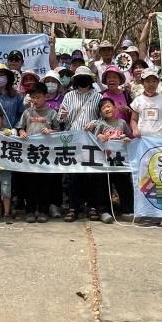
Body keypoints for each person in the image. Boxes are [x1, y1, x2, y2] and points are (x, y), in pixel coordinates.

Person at [59, 66, 102, 222]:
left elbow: (103, 118)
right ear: (75, 80)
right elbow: (60, 119)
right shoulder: (69, 96)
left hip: (91, 141)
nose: (83, 80)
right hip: (73, 141)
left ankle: (92, 207)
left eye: (86, 77)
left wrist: (95, 123)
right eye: (80, 77)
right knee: (74, 176)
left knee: (91, 175)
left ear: (91, 79)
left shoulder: (97, 96)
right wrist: (62, 115)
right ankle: (73, 207)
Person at [16, 83, 62, 223]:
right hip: (29, 155)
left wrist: (51, 131)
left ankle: (43, 211)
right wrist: (22, 132)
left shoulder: (52, 113)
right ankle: (30, 211)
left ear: (45, 97)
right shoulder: (27, 112)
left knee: (44, 184)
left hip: (46, 156)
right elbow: (20, 127)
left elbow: (60, 131)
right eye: (32, 97)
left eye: (38, 97)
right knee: (30, 184)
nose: (35, 100)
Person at [89, 97, 133, 224]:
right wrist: (100, 136)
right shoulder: (100, 124)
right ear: (100, 112)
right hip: (104, 161)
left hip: (120, 161)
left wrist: (126, 139)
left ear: (114, 108)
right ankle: (103, 211)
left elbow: (129, 137)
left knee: (124, 185)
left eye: (109, 106)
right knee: (102, 185)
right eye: (103, 108)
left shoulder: (122, 123)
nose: (107, 109)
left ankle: (127, 210)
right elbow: (94, 139)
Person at [130, 69, 162, 142]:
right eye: (147, 81)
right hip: (142, 140)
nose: (151, 84)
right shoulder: (138, 100)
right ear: (142, 82)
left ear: (158, 82)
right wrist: (135, 129)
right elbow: (133, 119)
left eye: (154, 81)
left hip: (160, 140)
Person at [0, 64, 25, 131]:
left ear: (8, 78)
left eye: (2, 75)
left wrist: (17, 129)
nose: (0, 77)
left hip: (13, 135)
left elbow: (21, 115)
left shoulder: (17, 96)